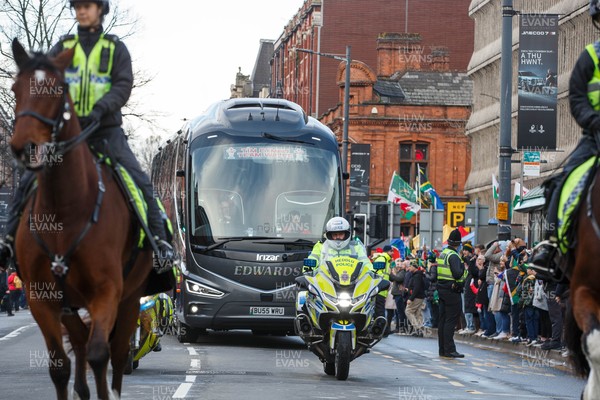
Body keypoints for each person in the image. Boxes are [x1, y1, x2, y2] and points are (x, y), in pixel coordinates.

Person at [0, 0, 173, 270]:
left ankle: (160, 245)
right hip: (65, 133)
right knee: (27, 179)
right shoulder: (62, 48)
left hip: (105, 131)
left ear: (101, 9)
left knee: (140, 183)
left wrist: (100, 109)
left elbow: (123, 85)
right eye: (77, 6)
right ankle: (8, 242)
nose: (82, 11)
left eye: (88, 5)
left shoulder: (115, 49)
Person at [531, 0, 600, 271]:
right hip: (595, 138)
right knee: (562, 180)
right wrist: (594, 121)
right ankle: (551, 243)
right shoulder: (590, 57)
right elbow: (577, 97)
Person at [436, 229, 467, 358]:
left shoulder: (444, 253)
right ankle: (450, 350)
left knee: (443, 320)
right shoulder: (453, 256)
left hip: (442, 289)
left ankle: (442, 349)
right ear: (458, 243)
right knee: (450, 320)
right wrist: (464, 271)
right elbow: (457, 274)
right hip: (452, 290)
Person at [306, 216, 372, 272]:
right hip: (325, 282)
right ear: (329, 235)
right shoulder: (320, 246)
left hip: (352, 282)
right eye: (335, 234)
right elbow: (312, 261)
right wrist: (308, 270)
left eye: (341, 234)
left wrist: (372, 272)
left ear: (347, 234)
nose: (338, 237)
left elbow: (365, 262)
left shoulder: (356, 246)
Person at [405, 259, 426, 336]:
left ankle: (417, 328)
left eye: (410, 266)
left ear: (414, 267)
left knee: (408, 311)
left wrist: (411, 298)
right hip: (419, 296)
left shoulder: (417, 276)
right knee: (418, 313)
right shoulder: (417, 275)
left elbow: (416, 288)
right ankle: (419, 330)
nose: (409, 268)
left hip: (417, 296)